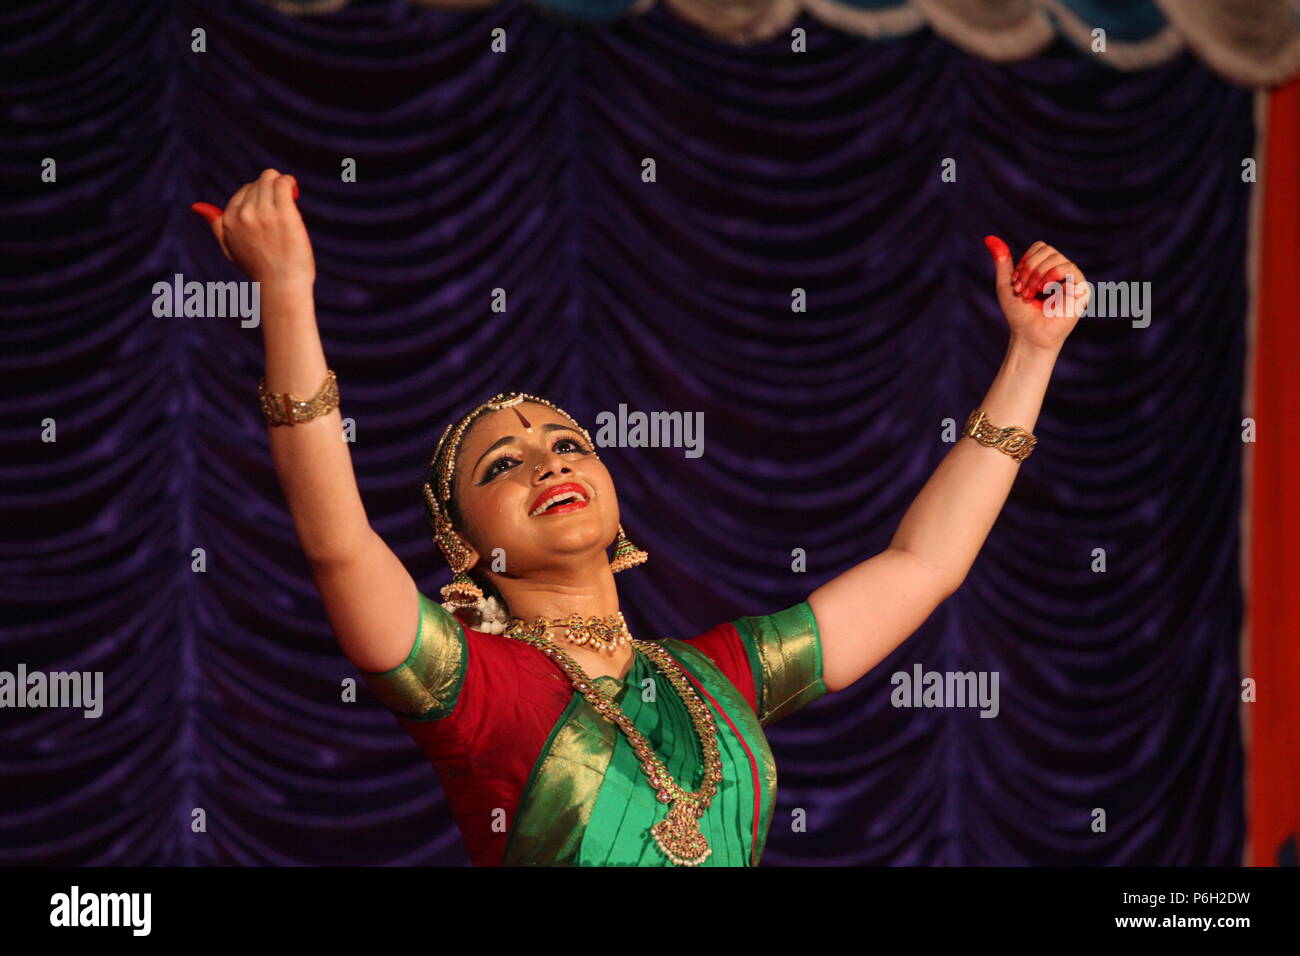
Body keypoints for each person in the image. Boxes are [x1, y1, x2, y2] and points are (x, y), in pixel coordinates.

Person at [193, 169, 1090, 866]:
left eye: (568, 443)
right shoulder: (474, 687)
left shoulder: (719, 676)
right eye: (503, 466)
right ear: (463, 542)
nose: (549, 462)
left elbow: (924, 564)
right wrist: (286, 291)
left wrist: (1032, 353)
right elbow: (339, 546)